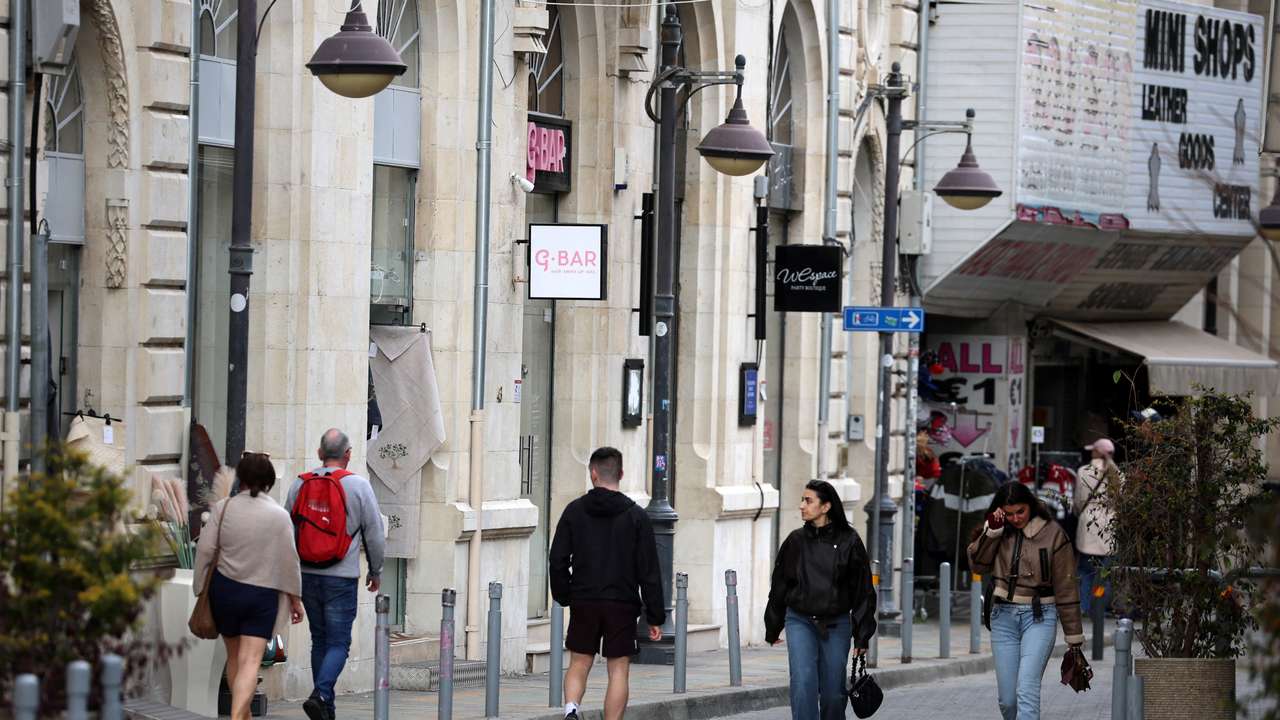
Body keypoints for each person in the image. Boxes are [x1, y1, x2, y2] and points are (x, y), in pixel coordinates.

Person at [549, 447, 664, 720]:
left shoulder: (574, 512)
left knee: (579, 661)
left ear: (593, 473)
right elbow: (648, 570)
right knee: (618, 669)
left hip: (584, 600)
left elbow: (557, 559)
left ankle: (572, 709)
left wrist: (565, 594)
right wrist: (655, 616)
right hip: (621, 603)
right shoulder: (636, 516)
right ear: (621, 474)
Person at [193, 452, 305, 720]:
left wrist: (200, 588)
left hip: (225, 592)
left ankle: (241, 715)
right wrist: (295, 599)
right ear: (268, 482)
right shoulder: (279, 516)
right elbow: (289, 560)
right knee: (251, 661)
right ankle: (237, 715)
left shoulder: (224, 508)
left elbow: (205, 551)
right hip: (261, 595)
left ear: (240, 478)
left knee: (234, 658)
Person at [286, 429, 386, 720]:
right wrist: (376, 570)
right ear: (348, 455)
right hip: (340, 577)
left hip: (307, 574)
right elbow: (375, 534)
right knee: (339, 643)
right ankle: (320, 695)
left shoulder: (299, 484)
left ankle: (326, 709)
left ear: (319, 453)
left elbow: (286, 529)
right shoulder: (358, 486)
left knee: (320, 639)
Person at [968, 482, 1084, 720]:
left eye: (1020, 511)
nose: (1016, 518)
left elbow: (1066, 585)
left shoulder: (1053, 534)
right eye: (1009, 514)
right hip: (1003, 618)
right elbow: (978, 565)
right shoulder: (997, 529)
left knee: (1027, 688)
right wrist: (992, 533)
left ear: (1030, 506)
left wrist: (1074, 637)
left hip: (1040, 616)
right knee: (1008, 701)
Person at [765, 480, 877, 720]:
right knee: (803, 683)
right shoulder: (795, 541)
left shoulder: (850, 540)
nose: (801, 506)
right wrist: (773, 626)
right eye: (802, 500)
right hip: (800, 621)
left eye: (808, 500)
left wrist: (862, 634)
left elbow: (862, 590)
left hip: (836, 623)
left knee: (833, 693)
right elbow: (780, 586)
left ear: (825, 507)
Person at [1075, 437, 1120, 616]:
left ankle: (1084, 607)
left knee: (1086, 570)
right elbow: (1119, 503)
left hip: (1088, 524)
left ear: (1096, 452)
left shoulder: (1083, 472)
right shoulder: (1117, 474)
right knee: (1105, 573)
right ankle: (1100, 608)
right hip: (1109, 525)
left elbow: (1078, 502)